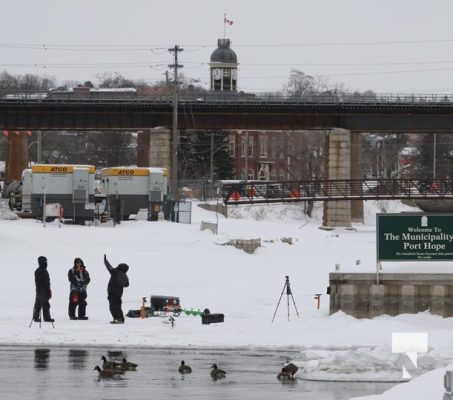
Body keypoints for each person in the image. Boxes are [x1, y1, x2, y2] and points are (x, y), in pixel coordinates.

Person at [104, 254, 129, 324]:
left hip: (112, 293)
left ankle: (117, 318)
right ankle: (121, 318)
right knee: (118, 306)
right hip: (119, 294)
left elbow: (109, 267)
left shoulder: (115, 272)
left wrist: (105, 260)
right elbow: (127, 285)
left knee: (113, 307)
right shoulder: (125, 275)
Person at [32, 256, 54, 323]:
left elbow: (47, 282)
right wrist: (42, 290)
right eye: (45, 261)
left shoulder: (45, 271)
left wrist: (48, 290)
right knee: (39, 304)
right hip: (41, 291)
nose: (46, 263)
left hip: (45, 290)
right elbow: (38, 282)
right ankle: (37, 317)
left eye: (46, 261)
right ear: (41, 262)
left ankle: (44, 318)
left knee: (44, 304)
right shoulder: (38, 271)